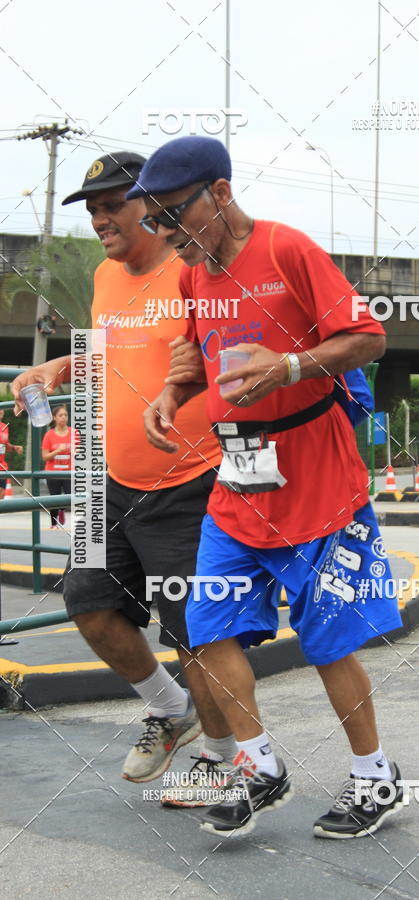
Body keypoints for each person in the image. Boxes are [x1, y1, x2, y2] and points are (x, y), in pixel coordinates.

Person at [139, 136, 404, 838]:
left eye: (172, 215)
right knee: (209, 626)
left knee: (328, 640)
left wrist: (288, 368)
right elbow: (201, 356)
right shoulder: (193, 277)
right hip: (239, 480)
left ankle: (375, 776)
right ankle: (258, 766)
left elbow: (367, 338)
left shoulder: (288, 250)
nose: (165, 235)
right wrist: (171, 391)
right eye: (153, 222)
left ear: (219, 194)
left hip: (319, 481)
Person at [12, 152, 235, 793]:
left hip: (192, 481)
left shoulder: (192, 271)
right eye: (93, 209)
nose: (101, 218)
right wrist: (58, 369)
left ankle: (223, 756)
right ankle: (172, 711)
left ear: (152, 205)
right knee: (88, 603)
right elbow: (106, 354)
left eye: (113, 204)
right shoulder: (109, 276)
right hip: (111, 482)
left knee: (194, 630)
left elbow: (227, 362)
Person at [41, 404, 74, 528]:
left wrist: (75, 452)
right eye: (60, 415)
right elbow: (45, 457)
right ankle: (53, 524)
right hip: (52, 472)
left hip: (68, 472)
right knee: (54, 498)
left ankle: (62, 509)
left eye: (65, 415)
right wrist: (57, 451)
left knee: (70, 496)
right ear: (55, 418)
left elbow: (80, 452)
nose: (64, 418)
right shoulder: (49, 435)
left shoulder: (73, 432)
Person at [0, 408, 23, 500]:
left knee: (1, 491)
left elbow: (5, 444)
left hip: (2, 466)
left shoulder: (4, 427)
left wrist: (14, 447)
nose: (1, 411)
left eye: (1, 409)